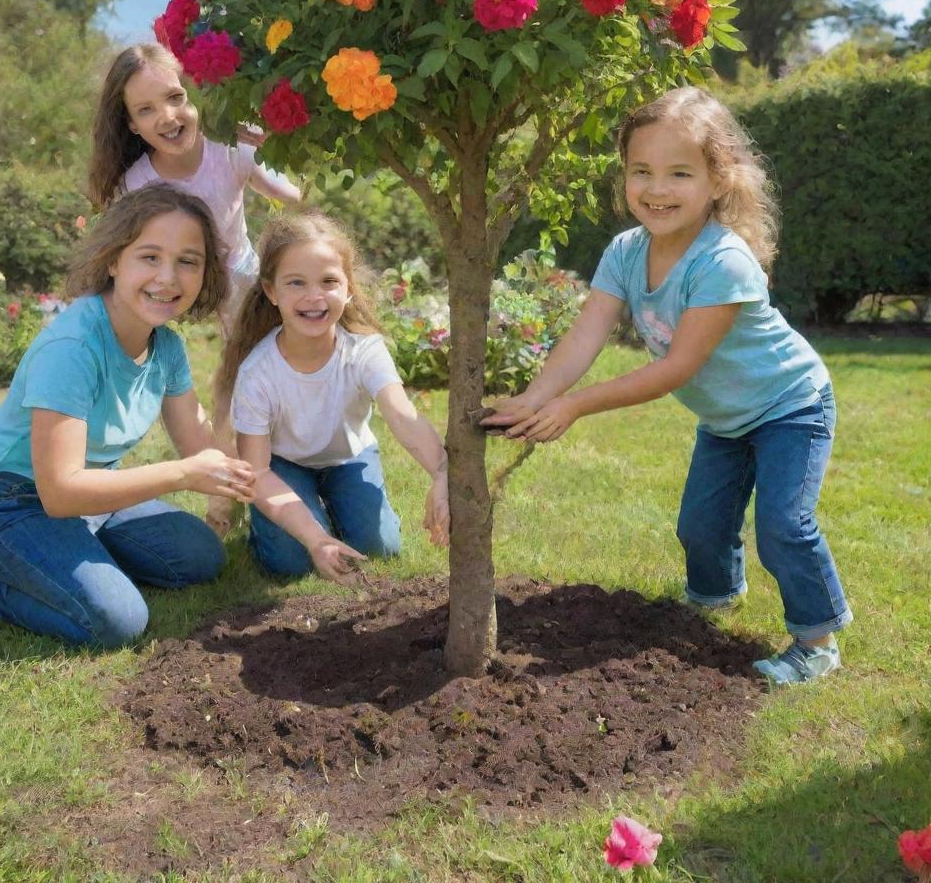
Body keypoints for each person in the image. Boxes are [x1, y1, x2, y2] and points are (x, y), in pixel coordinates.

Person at [482, 86, 851, 686]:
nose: (657, 190)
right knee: (700, 527)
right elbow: (586, 335)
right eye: (641, 172)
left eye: (679, 173)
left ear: (718, 180)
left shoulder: (723, 262)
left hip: (790, 407)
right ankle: (712, 602)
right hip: (727, 419)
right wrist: (535, 396)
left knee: (783, 525)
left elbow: (675, 368)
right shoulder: (626, 252)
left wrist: (575, 405)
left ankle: (816, 640)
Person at [0, 184, 256, 648]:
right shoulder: (73, 347)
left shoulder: (167, 348)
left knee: (200, 557)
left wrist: (271, 476)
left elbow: (202, 451)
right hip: (10, 504)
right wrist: (181, 474)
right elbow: (58, 494)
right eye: (150, 257)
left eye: (187, 261)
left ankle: (77, 553)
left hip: (95, 494)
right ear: (114, 260)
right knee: (117, 620)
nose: (169, 278)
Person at [88, 42, 301, 534]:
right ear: (132, 126)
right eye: (146, 109)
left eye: (176, 97)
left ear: (197, 97)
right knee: (134, 361)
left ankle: (227, 504)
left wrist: (268, 147)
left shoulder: (228, 151)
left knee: (243, 381)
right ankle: (97, 467)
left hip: (235, 279)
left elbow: (291, 197)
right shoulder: (136, 184)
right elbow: (122, 256)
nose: (167, 116)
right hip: (170, 281)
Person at [216, 212, 450, 583]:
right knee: (291, 563)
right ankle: (273, 528)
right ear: (272, 291)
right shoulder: (257, 371)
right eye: (296, 283)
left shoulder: (364, 351)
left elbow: (401, 414)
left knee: (379, 549)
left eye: (328, 281)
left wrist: (442, 472)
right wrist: (314, 539)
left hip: (349, 457)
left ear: (348, 288)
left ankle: (337, 510)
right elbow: (257, 472)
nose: (314, 296)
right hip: (283, 465)